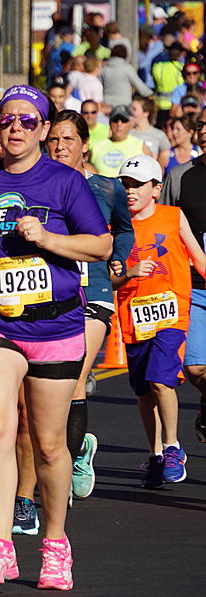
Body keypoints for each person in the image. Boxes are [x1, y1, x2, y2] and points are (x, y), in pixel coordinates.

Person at [0, 85, 111, 590]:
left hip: (56, 325)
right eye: (6, 120)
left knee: (47, 445)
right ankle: (0, 546)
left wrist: (47, 239)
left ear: (43, 129)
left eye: (27, 120)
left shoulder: (65, 182)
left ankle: (55, 544)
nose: (15, 127)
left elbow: (101, 245)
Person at [46, 110, 134, 500]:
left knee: (76, 377)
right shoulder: (39, 186)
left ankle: (63, 468)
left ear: (85, 145)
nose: (61, 147)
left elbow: (126, 230)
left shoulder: (107, 187)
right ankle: (79, 448)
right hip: (49, 292)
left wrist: (120, 258)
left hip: (94, 291)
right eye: (54, 140)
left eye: (68, 140)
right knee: (51, 385)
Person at [112, 154, 206, 488]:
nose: (130, 192)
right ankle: (155, 455)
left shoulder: (173, 217)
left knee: (160, 380)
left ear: (156, 188)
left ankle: (172, 447)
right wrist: (129, 274)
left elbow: (199, 258)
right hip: (134, 316)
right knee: (144, 391)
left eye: (137, 185)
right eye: (124, 185)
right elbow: (107, 279)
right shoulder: (115, 227)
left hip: (172, 313)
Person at [161, 108, 206, 444]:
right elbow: (162, 228)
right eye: (201, 125)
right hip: (195, 288)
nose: (203, 131)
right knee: (193, 367)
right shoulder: (179, 176)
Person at [90, 105, 151, 177]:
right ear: (110, 123)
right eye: (115, 120)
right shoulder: (96, 146)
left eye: (124, 120)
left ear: (131, 123)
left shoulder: (140, 145)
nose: (119, 124)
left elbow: (152, 169)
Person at [131, 96, 171, 170]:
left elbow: (162, 164)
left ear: (146, 113)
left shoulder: (159, 135)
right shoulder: (127, 134)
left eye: (134, 109)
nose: (130, 112)